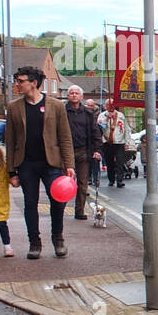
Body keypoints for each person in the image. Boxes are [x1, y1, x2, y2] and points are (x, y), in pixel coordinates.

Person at [3, 65, 75, 259]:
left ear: (34, 83)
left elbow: (65, 137)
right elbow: (9, 141)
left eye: (21, 81)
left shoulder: (56, 105)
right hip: (27, 164)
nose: (17, 84)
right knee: (30, 204)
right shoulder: (14, 107)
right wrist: (11, 171)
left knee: (58, 202)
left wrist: (69, 165)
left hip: (52, 163)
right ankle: (34, 243)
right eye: (17, 81)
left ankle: (58, 239)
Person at [63, 86, 101, 220]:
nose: (74, 95)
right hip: (66, 153)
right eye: (71, 93)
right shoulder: (62, 111)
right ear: (68, 96)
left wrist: (97, 150)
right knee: (65, 183)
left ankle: (79, 211)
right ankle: (60, 210)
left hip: (84, 151)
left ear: (81, 96)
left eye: (76, 93)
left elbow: (95, 132)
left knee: (83, 184)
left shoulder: (88, 113)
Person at [99, 100, 132, 188]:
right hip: (107, 142)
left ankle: (120, 180)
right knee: (109, 162)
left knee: (119, 162)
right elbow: (100, 127)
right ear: (105, 106)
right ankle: (111, 179)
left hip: (119, 142)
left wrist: (127, 141)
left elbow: (126, 129)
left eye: (113, 104)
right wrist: (107, 119)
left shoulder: (121, 115)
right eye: (108, 105)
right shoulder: (102, 115)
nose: (111, 106)